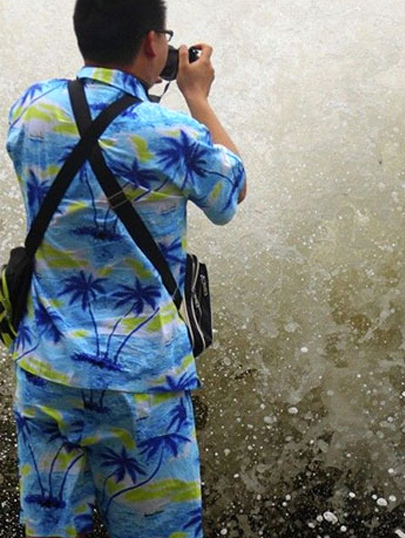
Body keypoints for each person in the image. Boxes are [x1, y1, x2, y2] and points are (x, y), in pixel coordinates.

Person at [5, 0, 246, 536]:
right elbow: (231, 189)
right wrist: (197, 97)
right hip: (143, 384)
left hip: (47, 371)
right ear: (152, 43)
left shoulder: (31, 109)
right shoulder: (169, 134)